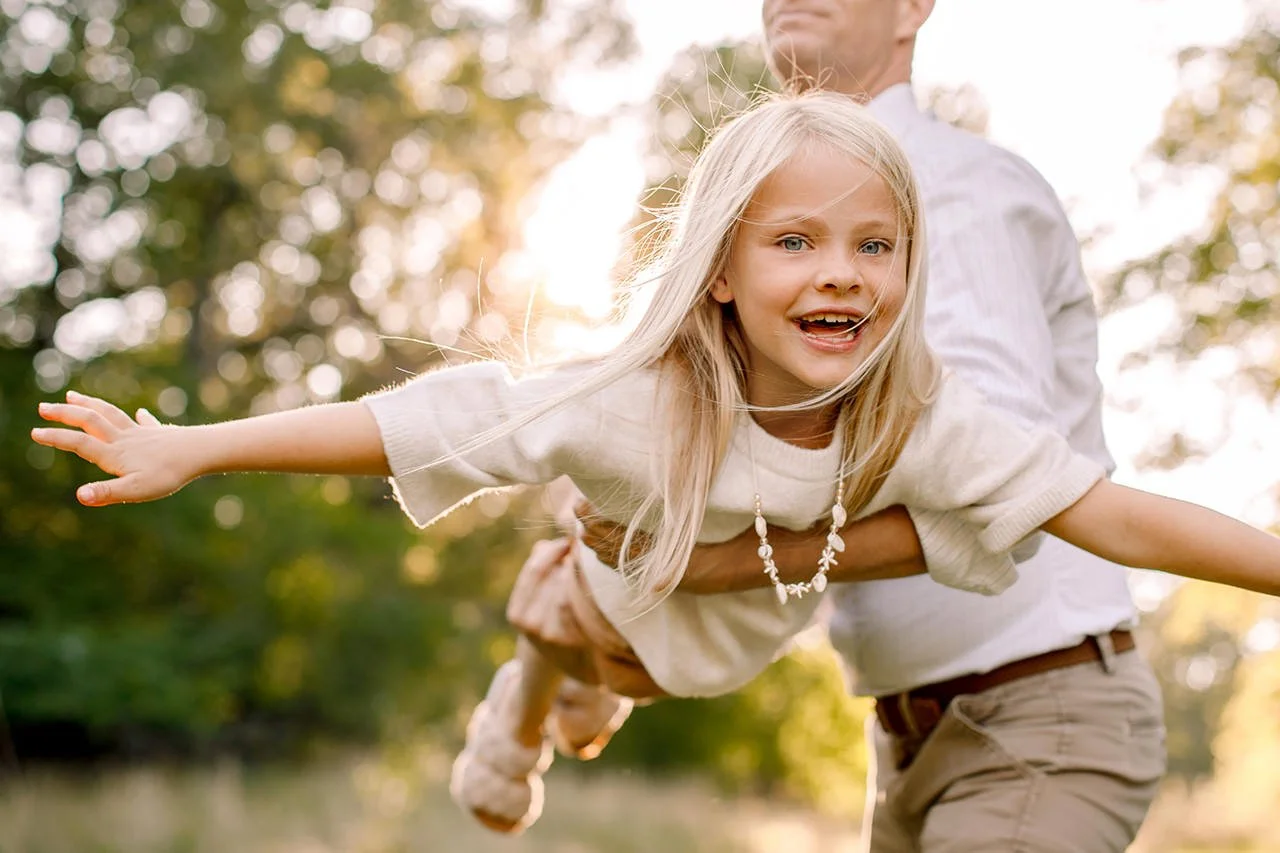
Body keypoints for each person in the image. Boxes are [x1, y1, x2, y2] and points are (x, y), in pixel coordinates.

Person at [31, 94, 1280, 843]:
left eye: (875, 243)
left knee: (608, 627)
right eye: (794, 240)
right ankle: (522, 717)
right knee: (561, 602)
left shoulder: (914, 414)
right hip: (622, 588)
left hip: (722, 638)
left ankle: (584, 692)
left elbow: (1116, 516)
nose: (841, 270)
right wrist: (193, 446)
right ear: (721, 274)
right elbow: (415, 426)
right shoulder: (629, 403)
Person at [519, 1, 1179, 850]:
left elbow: (1003, 496)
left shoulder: (949, 185)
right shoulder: (790, 204)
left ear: (914, 9)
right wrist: (620, 615)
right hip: (911, 737)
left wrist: (717, 567)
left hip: (1037, 718)